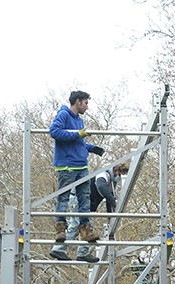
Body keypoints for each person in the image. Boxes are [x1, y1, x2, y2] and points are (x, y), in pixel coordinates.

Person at [49, 90, 105, 251]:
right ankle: (60, 229)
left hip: (81, 165)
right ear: (78, 102)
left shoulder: (79, 121)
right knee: (64, 197)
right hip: (67, 165)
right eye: (86, 103)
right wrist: (77, 134)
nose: (87, 107)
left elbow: (78, 142)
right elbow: (55, 132)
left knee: (85, 198)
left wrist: (92, 148)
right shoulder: (64, 115)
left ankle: (85, 230)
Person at [50, 162, 128, 262]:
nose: (119, 177)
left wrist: (111, 217)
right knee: (87, 225)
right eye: (120, 175)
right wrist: (113, 202)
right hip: (79, 200)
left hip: (77, 200)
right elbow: (101, 186)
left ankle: (59, 249)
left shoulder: (111, 182)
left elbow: (109, 197)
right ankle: (81, 253)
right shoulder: (104, 174)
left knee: (74, 227)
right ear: (115, 170)